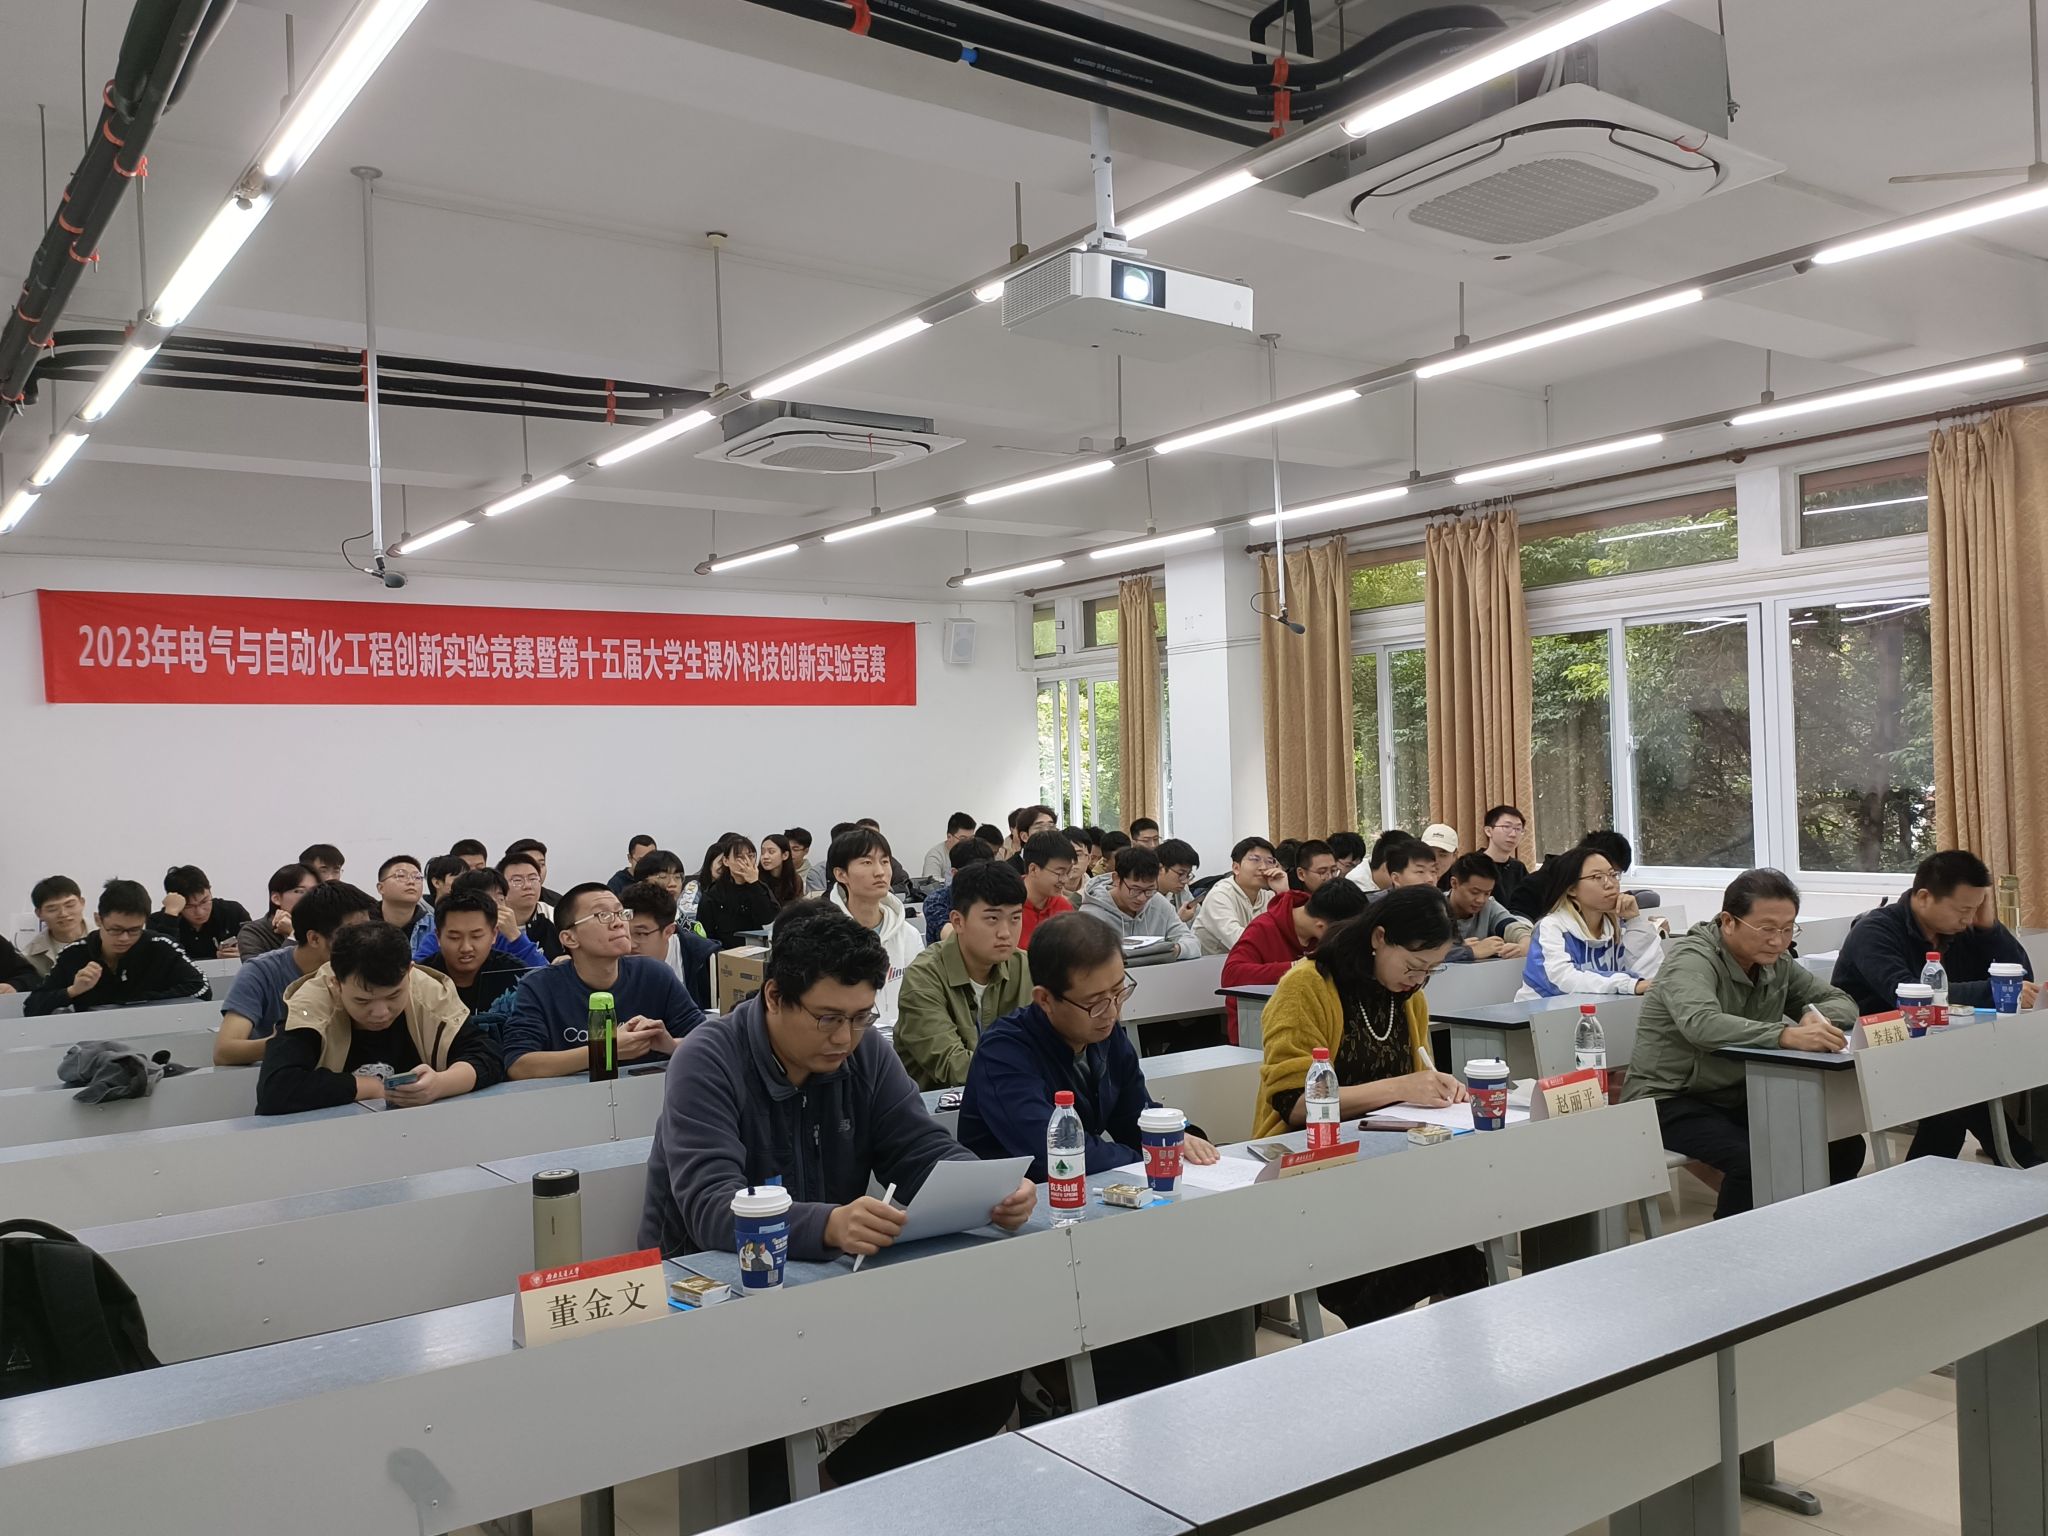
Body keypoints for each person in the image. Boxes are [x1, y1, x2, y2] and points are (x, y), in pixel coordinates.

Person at [639, 900, 1032, 1498]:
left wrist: (989, 1187)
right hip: (715, 1294)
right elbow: (712, 1207)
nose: (845, 1037)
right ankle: (802, 1499)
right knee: (767, 1443)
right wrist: (826, 1226)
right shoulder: (708, 1058)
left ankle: (833, 1487)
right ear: (774, 997)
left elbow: (918, 1147)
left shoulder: (865, 1052)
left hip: (827, 1284)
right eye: (827, 1018)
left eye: (860, 1016)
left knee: (984, 1377)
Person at [1253, 886, 1487, 1325]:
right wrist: (1402, 1087)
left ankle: (1440, 1356)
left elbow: (1413, 1085)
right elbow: (1296, 1105)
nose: (1417, 980)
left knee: (1463, 1250)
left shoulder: (1409, 998)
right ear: (1379, 937)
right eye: (1413, 966)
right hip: (1313, 1170)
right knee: (1427, 1258)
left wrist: (1436, 1089)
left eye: (1431, 971)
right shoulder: (1307, 985)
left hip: (1386, 1166)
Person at [1623, 869, 1867, 1216]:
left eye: (1788, 929)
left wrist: (1814, 1016)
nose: (1778, 941)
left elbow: (1840, 1000)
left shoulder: (1776, 962)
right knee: (1752, 1163)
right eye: (1767, 929)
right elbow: (1702, 1025)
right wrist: (1784, 1035)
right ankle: (1733, 1247)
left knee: (1842, 1145)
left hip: (1738, 1092)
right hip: (1670, 1098)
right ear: (1728, 922)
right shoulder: (1692, 959)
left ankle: (1811, 1227)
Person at [961, 911, 1222, 1175]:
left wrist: (1176, 1138)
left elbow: (1135, 1117)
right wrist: (1148, 1158)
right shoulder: (1003, 1053)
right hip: (1015, 1194)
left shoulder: (1105, 1033)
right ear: (1045, 1000)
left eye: (1118, 991)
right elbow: (1059, 1152)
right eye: (1094, 1002)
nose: (1112, 1012)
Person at [1834, 849, 2042, 1165]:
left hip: (1937, 1047)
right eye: (1963, 909)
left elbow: (2019, 977)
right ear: (1924, 897)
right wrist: (1993, 990)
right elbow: (1909, 996)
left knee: (1961, 1088)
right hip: (1873, 1053)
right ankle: (2022, 1162)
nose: (1968, 919)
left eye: (1975, 908)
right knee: (1959, 1090)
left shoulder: (1960, 930)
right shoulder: (1875, 931)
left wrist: (1989, 928)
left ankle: (2019, 1162)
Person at [255, 921, 504, 1115]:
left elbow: (488, 1054)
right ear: (336, 984)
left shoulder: (429, 992)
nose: (381, 1012)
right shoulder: (310, 1005)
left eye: (394, 995)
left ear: (409, 972)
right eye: (362, 1001)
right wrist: (371, 1087)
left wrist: (440, 1084)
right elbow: (276, 1089)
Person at [501, 883, 704, 1078]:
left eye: (621, 913)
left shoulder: (654, 974)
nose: (618, 923)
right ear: (569, 938)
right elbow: (518, 1065)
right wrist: (605, 1049)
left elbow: (707, 1041)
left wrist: (670, 1045)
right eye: (603, 915)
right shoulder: (539, 986)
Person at [895, 859, 1034, 1090]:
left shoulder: (1026, 968)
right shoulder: (924, 976)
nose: (1005, 933)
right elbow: (953, 1065)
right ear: (958, 922)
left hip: (1014, 1095)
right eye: (992, 918)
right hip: (938, 1105)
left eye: (1015, 918)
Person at [216, 881, 378, 1064]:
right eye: (352, 934)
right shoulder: (260, 972)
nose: (363, 941)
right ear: (314, 938)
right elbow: (225, 1051)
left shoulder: (363, 967)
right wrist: (286, 1042)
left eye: (367, 930)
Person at [26, 880, 211, 1014]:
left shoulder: (161, 946)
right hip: (94, 1044)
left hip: (155, 1031)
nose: (124, 938)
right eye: (115, 930)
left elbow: (202, 988)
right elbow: (31, 1006)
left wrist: (141, 1002)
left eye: (134, 930)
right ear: (98, 920)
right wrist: (73, 990)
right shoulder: (74, 953)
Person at [1220, 878, 1369, 1044]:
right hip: (1261, 1031)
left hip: (1319, 1025)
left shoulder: (1322, 925)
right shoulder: (1263, 928)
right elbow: (1231, 975)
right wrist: (1296, 967)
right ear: (1321, 926)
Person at [1516, 844, 1665, 1000]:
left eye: (1613, 875)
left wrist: (1635, 921)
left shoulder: (1619, 925)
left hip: (1604, 1010)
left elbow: (1652, 976)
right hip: (1541, 1013)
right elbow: (1561, 979)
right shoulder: (1551, 927)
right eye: (1597, 877)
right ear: (1571, 889)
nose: (1610, 884)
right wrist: (1628, 984)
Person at [825, 826, 923, 1033]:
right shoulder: (826, 937)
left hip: (903, 1042)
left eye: (885, 861)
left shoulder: (908, 935)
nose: (880, 872)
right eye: (867, 862)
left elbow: (921, 1000)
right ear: (841, 874)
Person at [416, 889, 530, 1029]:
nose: (466, 947)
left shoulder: (516, 976)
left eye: (476, 936)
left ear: (494, 934)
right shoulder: (420, 979)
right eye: (454, 937)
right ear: (438, 937)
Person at [1079, 845, 1201, 959]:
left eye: (1149, 890)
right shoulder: (1092, 915)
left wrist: (1172, 950)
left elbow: (1192, 943)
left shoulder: (1158, 902)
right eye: (1135, 889)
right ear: (1117, 879)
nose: (1142, 898)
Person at [411, 868, 548, 968]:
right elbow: (418, 973)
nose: (496, 907)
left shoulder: (508, 936)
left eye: (500, 899)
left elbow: (542, 974)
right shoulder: (446, 935)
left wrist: (515, 936)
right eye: (488, 901)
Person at [625, 879, 720, 1011]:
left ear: (669, 931)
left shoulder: (706, 959)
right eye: (624, 932)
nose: (630, 944)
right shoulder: (611, 957)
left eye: (640, 934)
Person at [1193, 836, 1288, 956]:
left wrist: (1284, 892)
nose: (1263, 867)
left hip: (1251, 961)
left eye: (1269, 861)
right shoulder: (1219, 896)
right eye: (1255, 859)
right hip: (1211, 964)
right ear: (1236, 868)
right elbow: (1240, 941)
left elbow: (1292, 934)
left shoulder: (1269, 896)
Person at [1442, 853, 1533, 963]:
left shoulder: (1489, 906)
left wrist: (1524, 944)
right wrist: (1469, 951)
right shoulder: (1433, 907)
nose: (1481, 900)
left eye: (1487, 893)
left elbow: (1512, 927)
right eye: (1474, 892)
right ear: (1454, 883)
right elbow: (1425, 952)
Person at [147, 866, 250, 962]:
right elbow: (160, 961)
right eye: (189, 906)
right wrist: (171, 916)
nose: (200, 912)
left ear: (210, 890)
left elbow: (256, 949)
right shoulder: (157, 921)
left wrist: (245, 953)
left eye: (204, 901)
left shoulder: (232, 912)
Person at [698, 835, 783, 948]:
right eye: (739, 857)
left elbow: (769, 920)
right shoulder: (713, 894)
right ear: (726, 861)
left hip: (758, 949)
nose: (746, 862)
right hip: (725, 951)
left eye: (751, 856)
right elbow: (705, 935)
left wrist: (754, 884)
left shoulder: (760, 887)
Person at [921, 837, 994, 945]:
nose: (980, 879)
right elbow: (950, 937)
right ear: (955, 873)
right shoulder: (937, 900)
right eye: (974, 874)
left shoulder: (996, 896)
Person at [240, 863, 317, 958]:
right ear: (276, 898)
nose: (309, 897)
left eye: (314, 891)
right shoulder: (253, 932)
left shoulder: (322, 926)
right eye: (299, 891)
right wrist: (293, 936)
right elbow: (258, 967)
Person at [23, 875, 93, 978]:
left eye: (70, 905)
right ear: (39, 914)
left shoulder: (107, 935)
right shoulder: (30, 956)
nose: (63, 914)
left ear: (82, 903)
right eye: (52, 909)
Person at [498, 849, 561, 960]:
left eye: (533, 878)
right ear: (501, 886)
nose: (527, 886)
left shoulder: (555, 916)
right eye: (517, 880)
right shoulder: (492, 921)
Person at [1018, 831, 1077, 948]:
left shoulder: (1063, 907)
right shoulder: (1008, 905)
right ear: (1033, 869)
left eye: (1068, 872)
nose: (1065, 880)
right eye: (1060, 873)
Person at [1478, 806, 1530, 908]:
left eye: (1518, 829)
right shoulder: (1471, 864)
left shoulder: (1519, 868)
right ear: (1488, 831)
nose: (1513, 834)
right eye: (1506, 827)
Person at [376, 855, 432, 937]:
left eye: (417, 877)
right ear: (381, 888)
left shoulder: (436, 926)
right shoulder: (362, 922)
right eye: (401, 876)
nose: (411, 882)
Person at [921, 812, 978, 883]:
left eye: (971, 838)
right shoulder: (935, 856)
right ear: (949, 837)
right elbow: (931, 882)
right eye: (963, 839)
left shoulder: (975, 851)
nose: (968, 843)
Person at [504, 837, 561, 907]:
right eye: (530, 865)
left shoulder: (557, 903)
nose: (537, 871)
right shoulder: (497, 900)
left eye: (541, 864)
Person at [1155, 839, 1200, 924]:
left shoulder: (1182, 890)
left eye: (1188, 875)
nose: (1185, 881)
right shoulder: (1144, 895)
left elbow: (1199, 920)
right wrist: (1179, 921)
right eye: (1180, 874)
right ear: (1160, 868)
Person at [758, 833, 802, 906]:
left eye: (771, 852)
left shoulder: (795, 880)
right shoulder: (756, 879)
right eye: (762, 852)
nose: (765, 857)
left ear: (785, 855)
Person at [786, 827, 827, 895]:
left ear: (806, 851)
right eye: (787, 849)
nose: (790, 853)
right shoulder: (777, 871)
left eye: (795, 849)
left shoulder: (813, 876)